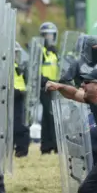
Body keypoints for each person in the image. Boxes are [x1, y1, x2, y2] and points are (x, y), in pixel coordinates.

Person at [39, 22, 59, 154]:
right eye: (47, 35)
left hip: (56, 86)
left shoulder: (55, 52)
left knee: (49, 116)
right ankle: (52, 144)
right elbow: (35, 69)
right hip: (45, 87)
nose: (50, 37)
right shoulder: (40, 50)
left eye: (52, 35)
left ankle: (47, 145)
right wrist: (44, 80)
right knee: (50, 115)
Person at [13, 43, 31, 157]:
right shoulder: (6, 67)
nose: (16, 55)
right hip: (13, 98)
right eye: (14, 53)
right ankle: (20, 150)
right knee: (18, 126)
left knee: (22, 124)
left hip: (20, 98)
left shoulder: (17, 67)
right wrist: (18, 92)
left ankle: (22, 150)